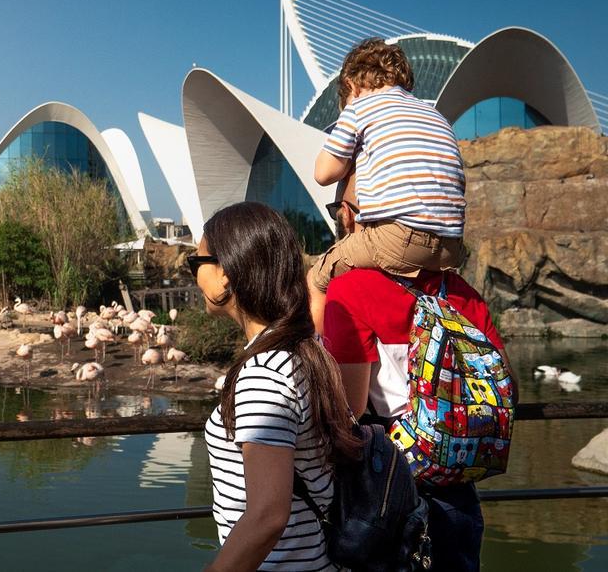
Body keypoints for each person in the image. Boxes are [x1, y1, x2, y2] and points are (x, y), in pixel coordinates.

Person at [321, 172, 514, 572]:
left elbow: (350, 408)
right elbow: (506, 387)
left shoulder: (351, 289)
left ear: (353, 217)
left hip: (390, 481)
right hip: (459, 480)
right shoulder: (460, 292)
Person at [197, 202, 360, 571]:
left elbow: (267, 516)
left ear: (225, 273)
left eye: (198, 264)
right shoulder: (305, 350)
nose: (195, 277)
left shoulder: (263, 374)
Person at [308, 37, 467, 331]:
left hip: (399, 238)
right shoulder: (436, 116)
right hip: (452, 248)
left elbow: (323, 173)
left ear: (351, 85)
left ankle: (314, 362)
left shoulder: (360, 108)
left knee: (316, 279)